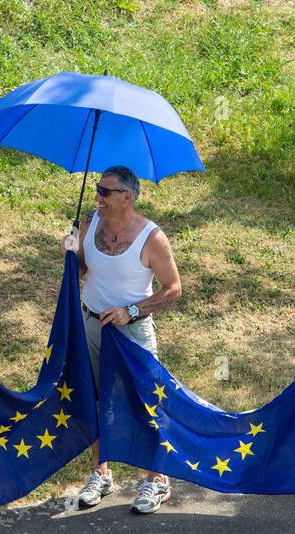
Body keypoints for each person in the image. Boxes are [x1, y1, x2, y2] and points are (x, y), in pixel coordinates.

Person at [62, 165, 183, 514]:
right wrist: (70, 253)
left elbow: (173, 289)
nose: (98, 196)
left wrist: (131, 310)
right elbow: (83, 269)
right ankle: (101, 473)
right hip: (91, 324)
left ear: (127, 197)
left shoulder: (151, 238)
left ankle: (156, 479)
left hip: (131, 331)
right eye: (97, 189)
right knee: (94, 398)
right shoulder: (90, 223)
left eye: (105, 192)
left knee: (144, 403)